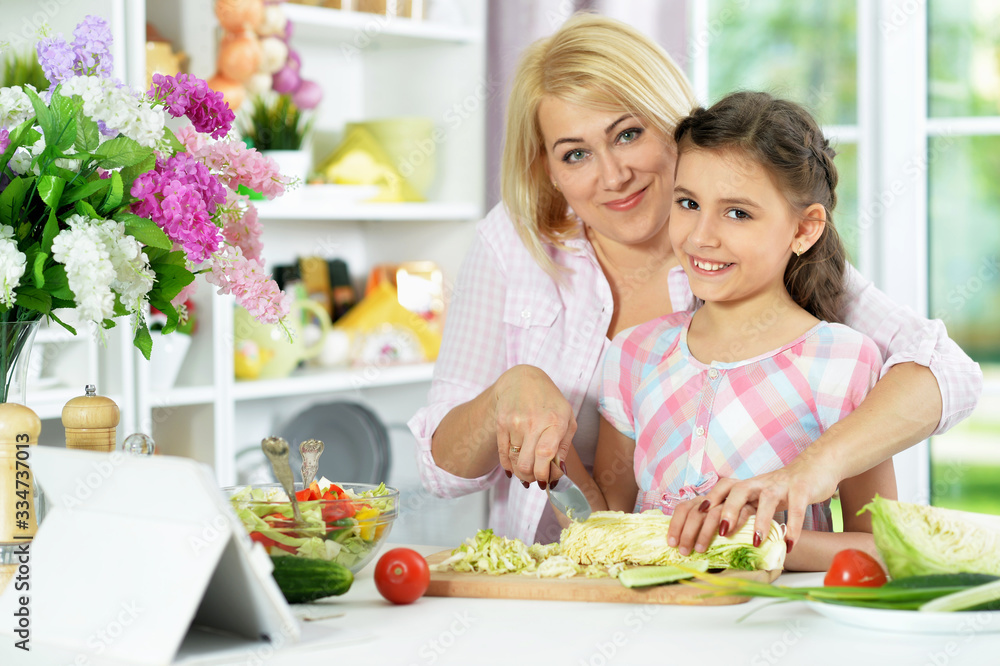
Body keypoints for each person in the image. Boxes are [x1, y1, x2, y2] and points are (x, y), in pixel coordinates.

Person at [407, 13, 982, 547]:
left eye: (628, 133)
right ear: (549, 170)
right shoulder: (517, 246)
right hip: (565, 589)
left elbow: (947, 372)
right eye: (575, 153)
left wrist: (810, 470)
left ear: (672, 124)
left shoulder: (772, 262)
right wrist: (512, 392)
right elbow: (446, 471)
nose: (613, 175)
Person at [590, 91, 896, 571]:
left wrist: (753, 543)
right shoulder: (635, 352)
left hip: (773, 624)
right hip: (650, 624)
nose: (700, 236)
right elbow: (606, 517)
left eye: (738, 213)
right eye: (688, 202)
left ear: (804, 230)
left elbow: (880, 547)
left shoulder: (841, 361)